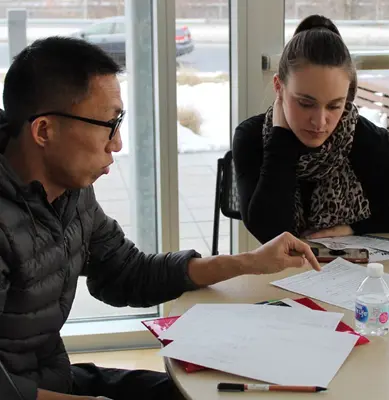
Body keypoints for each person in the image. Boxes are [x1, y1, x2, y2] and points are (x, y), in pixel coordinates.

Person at [0, 36, 319, 400]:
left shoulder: (70, 191)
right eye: (108, 124)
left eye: (118, 122)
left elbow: (128, 272)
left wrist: (249, 262)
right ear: (44, 131)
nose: (117, 143)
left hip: (53, 378)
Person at [233, 14, 389, 245]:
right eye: (305, 103)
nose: (320, 122)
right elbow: (270, 232)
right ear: (278, 87)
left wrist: (355, 227)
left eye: (334, 105)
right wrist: (280, 136)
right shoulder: (251, 137)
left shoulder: (368, 140)